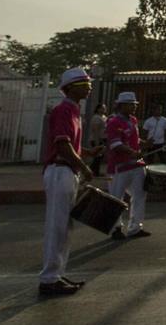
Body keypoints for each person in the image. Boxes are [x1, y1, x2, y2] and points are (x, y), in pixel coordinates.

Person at [39, 67, 101, 296]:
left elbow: (70, 145)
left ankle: (56, 274)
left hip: (66, 170)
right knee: (57, 226)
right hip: (60, 170)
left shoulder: (73, 111)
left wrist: (88, 153)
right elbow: (62, 146)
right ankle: (48, 278)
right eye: (84, 83)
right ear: (71, 88)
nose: (89, 86)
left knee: (64, 226)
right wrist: (84, 167)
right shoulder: (64, 110)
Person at [106, 91, 150, 240]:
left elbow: (134, 140)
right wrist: (132, 152)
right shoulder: (113, 122)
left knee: (140, 195)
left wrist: (145, 144)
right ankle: (116, 228)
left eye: (134, 104)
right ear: (121, 106)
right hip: (119, 166)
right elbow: (116, 145)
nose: (134, 107)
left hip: (136, 164)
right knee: (116, 199)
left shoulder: (133, 120)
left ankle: (135, 228)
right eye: (131, 104)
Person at [88, 104, 108, 176]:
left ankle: (94, 171)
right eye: (102, 108)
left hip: (103, 139)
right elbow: (96, 130)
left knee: (100, 156)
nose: (104, 110)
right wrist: (97, 142)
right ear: (98, 109)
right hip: (97, 139)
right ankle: (92, 171)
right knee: (97, 156)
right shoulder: (96, 118)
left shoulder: (104, 117)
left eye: (104, 108)